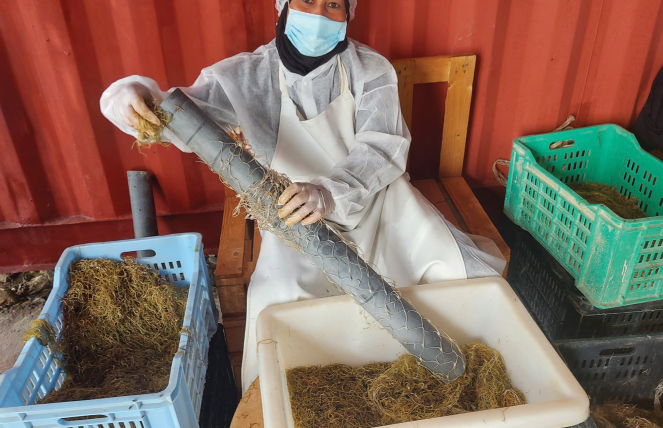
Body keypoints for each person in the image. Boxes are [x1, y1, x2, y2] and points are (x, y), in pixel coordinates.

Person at [100, 0, 507, 393]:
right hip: (293, 216)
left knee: (461, 273)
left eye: (333, 5)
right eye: (307, 1)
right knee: (278, 306)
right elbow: (180, 116)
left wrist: (329, 190)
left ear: (350, 12)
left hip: (379, 202)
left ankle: (458, 378)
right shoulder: (244, 77)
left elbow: (383, 148)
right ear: (282, 6)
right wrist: (129, 93)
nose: (318, 16)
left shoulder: (370, 69)